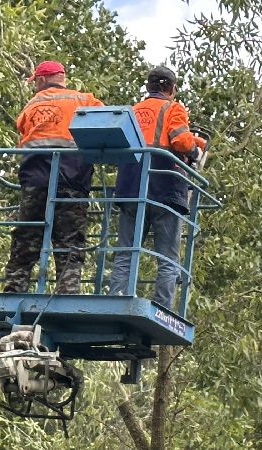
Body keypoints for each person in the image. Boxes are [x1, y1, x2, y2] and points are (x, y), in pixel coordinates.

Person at [109, 64, 207, 309]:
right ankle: (163, 308)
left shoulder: (132, 111)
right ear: (172, 89)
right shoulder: (173, 108)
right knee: (168, 258)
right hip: (165, 187)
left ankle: (117, 297)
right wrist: (196, 151)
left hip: (131, 186)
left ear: (148, 86)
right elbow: (181, 140)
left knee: (126, 251)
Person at [4, 60, 103, 295]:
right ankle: (67, 293)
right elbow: (110, 120)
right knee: (70, 241)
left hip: (35, 181)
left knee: (26, 238)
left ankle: (14, 290)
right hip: (72, 180)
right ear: (62, 79)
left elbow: (22, 130)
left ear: (40, 80)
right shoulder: (84, 100)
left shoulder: (32, 104)